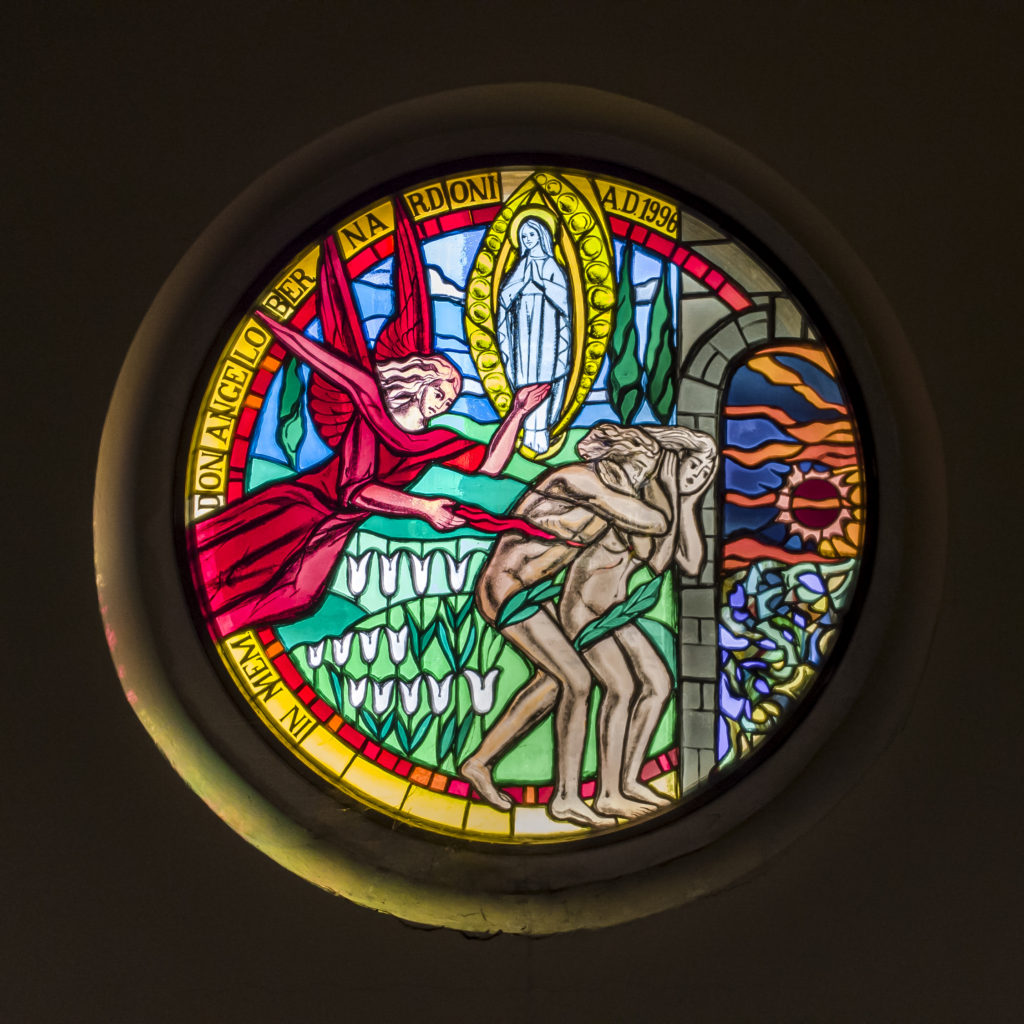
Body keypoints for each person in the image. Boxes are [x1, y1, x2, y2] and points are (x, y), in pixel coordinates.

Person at [191, 205, 551, 638]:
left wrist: (518, 412)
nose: (444, 403)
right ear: (419, 382)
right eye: (441, 391)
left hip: (335, 526)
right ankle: (202, 628)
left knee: (295, 596)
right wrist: (423, 507)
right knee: (228, 574)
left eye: (452, 398)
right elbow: (355, 490)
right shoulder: (371, 418)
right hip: (304, 508)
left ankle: (214, 628)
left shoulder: (433, 440)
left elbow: (489, 467)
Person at [463, 424, 717, 825]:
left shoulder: (610, 500)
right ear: (617, 456)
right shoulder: (577, 480)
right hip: (506, 588)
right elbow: (653, 522)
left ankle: (480, 762)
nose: (642, 477)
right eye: (641, 467)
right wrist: (668, 478)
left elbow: (660, 551)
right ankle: (566, 797)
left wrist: (678, 490)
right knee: (578, 682)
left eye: (648, 471)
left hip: (534, 592)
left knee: (553, 682)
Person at [496, 216, 571, 454]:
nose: (527, 240)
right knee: (525, 379)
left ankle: (540, 434)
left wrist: (541, 283)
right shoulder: (521, 265)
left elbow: (564, 301)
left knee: (544, 379)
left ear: (542, 236)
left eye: (532, 234)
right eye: (524, 236)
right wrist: (522, 284)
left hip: (547, 330)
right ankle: (527, 432)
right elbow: (504, 298)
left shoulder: (551, 265)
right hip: (522, 332)